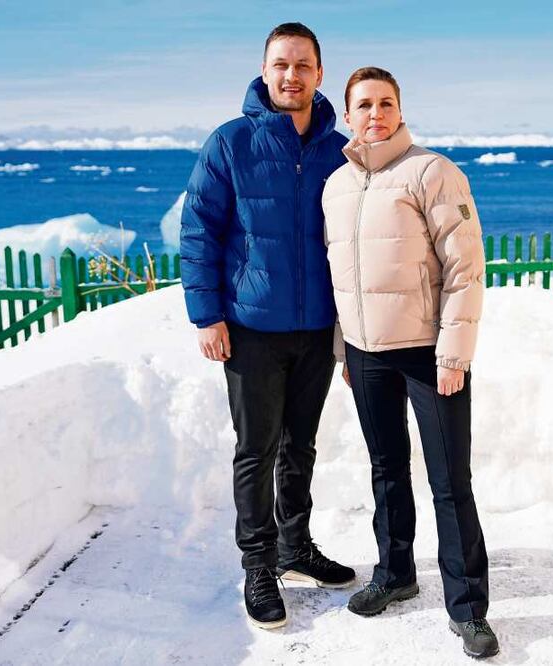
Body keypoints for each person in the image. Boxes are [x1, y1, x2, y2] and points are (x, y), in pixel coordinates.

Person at [179, 22, 354, 631]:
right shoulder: (230, 143)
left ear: (319, 74)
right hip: (251, 327)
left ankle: (295, 547)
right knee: (256, 450)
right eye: (281, 64)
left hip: (315, 329)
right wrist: (207, 315)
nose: (291, 75)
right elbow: (199, 230)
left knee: (300, 446)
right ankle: (258, 565)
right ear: (264, 69)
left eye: (302, 65)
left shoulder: (341, 150)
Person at [322, 67, 499, 659]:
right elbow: (339, 278)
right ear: (348, 115)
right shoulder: (336, 186)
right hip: (368, 356)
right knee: (386, 470)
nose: (376, 114)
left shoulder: (431, 171)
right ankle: (396, 573)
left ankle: (468, 609)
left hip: (428, 355)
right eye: (364, 104)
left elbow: (465, 269)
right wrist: (345, 348)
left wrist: (453, 354)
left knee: (451, 482)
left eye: (386, 103)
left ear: (401, 110)